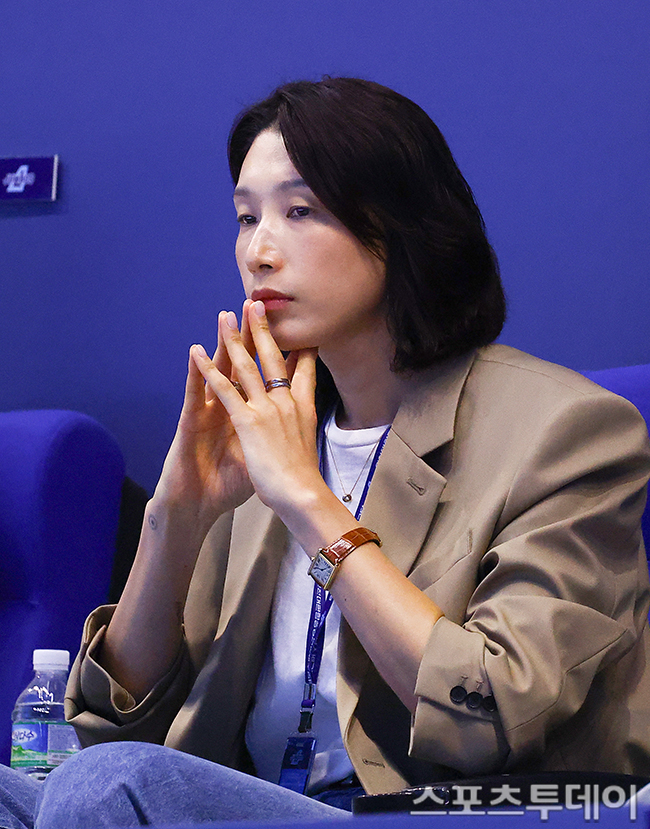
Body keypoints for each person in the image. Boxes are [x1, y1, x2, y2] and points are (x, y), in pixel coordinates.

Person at [2, 76, 650, 829]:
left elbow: (491, 716)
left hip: (433, 814)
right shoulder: (266, 429)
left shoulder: (567, 430)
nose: (259, 252)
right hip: (253, 802)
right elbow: (116, 728)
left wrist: (307, 501)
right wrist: (177, 514)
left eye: (300, 211)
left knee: (112, 785)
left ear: (400, 228)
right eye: (247, 217)